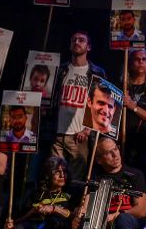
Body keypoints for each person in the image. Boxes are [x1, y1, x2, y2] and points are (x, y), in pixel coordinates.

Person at [49, 31, 106, 181]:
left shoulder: (96, 72)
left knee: (76, 178)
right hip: (58, 133)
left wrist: (88, 129)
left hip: (79, 135)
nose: (77, 42)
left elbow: (102, 104)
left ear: (89, 47)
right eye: (74, 40)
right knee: (55, 176)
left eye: (81, 40)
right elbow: (50, 97)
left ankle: (74, 204)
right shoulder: (61, 70)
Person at [79, 137, 146, 229]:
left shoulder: (135, 174)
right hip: (100, 221)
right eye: (108, 152)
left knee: (123, 219)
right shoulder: (95, 177)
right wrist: (81, 212)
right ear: (99, 160)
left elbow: (141, 211)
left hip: (126, 219)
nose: (115, 154)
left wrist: (117, 214)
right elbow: (86, 207)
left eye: (115, 149)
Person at [8, 156, 73, 229]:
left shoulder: (71, 194)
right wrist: (32, 211)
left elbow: (75, 218)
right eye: (57, 172)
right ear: (48, 174)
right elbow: (19, 221)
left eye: (65, 171)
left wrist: (54, 209)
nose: (62, 175)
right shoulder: (36, 195)